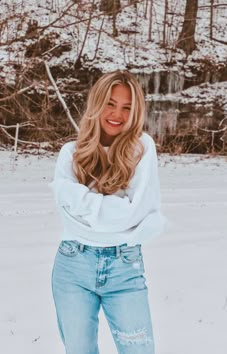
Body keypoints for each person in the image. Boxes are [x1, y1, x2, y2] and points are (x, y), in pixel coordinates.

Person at [49, 70, 166, 354]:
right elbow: (80, 221)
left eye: (127, 107)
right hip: (73, 265)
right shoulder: (71, 154)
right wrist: (118, 211)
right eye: (111, 104)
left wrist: (81, 199)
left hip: (123, 268)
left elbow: (137, 213)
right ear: (97, 103)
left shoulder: (141, 149)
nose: (117, 114)